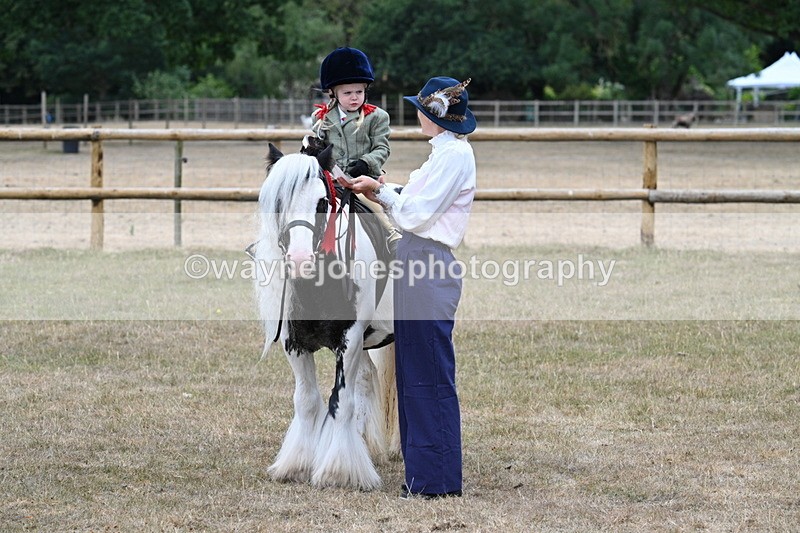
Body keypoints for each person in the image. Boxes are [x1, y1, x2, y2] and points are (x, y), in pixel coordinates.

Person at [342, 76, 477, 499]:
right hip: (414, 260)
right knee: (415, 374)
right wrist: (379, 188)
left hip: (426, 262)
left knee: (429, 376)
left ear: (434, 115)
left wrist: (383, 194)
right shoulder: (443, 154)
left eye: (421, 109)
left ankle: (435, 481)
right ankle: (424, 475)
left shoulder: (454, 156)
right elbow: (412, 198)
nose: (416, 115)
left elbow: (417, 214)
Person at [310, 46, 399, 250]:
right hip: (331, 180)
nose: (354, 97)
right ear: (333, 92)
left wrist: (366, 163)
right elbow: (319, 146)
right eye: (348, 93)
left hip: (363, 179)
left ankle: (391, 234)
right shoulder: (321, 118)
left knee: (373, 204)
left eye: (359, 92)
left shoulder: (376, 117)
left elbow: (382, 148)